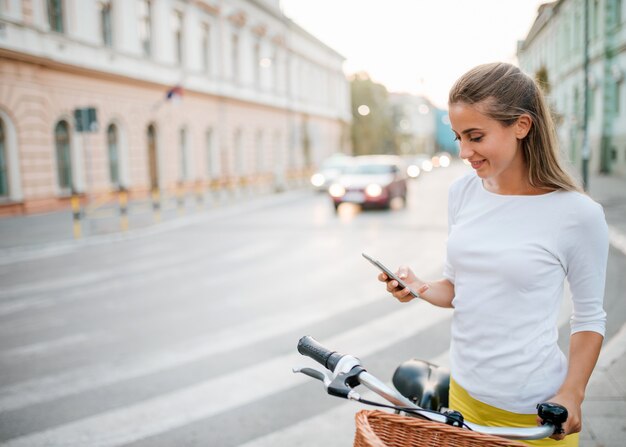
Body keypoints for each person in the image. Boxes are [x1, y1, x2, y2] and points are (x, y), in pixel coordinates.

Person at [379, 62, 608, 447]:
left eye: (476, 136)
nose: (465, 151)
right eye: (458, 137)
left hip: (534, 412)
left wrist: (572, 394)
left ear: (521, 125)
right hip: (464, 396)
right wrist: (418, 286)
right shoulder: (463, 193)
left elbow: (589, 318)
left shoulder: (577, 214)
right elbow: (457, 289)